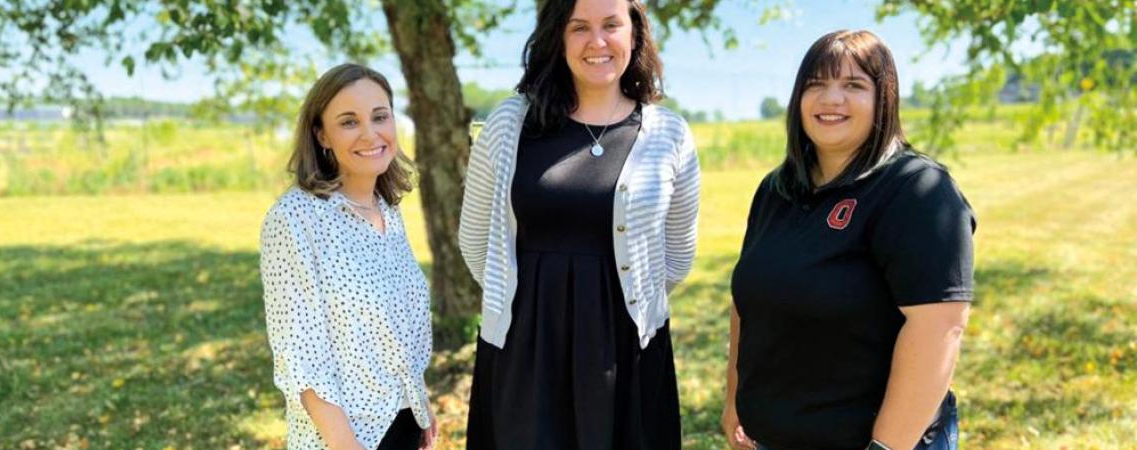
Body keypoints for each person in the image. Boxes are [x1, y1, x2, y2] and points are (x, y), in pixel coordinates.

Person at [458, 0, 700, 448]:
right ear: (557, 37)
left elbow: (677, 254)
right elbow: (475, 240)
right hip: (525, 344)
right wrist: (524, 305)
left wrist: (615, 305)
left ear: (635, 34)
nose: (597, 41)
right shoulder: (509, 124)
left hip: (627, 346)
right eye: (579, 28)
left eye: (611, 25)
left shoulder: (669, 134)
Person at [723, 30, 974, 450]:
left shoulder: (917, 190)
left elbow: (939, 328)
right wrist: (734, 401)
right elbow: (745, 302)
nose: (830, 99)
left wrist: (885, 447)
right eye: (816, 84)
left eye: (853, 85)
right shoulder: (776, 190)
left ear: (884, 99)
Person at [260, 63, 438, 450]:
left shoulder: (387, 210)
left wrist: (419, 399)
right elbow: (300, 356)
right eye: (349, 122)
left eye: (380, 117)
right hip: (344, 438)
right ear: (322, 134)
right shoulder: (295, 219)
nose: (370, 134)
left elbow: (397, 325)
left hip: (406, 423)